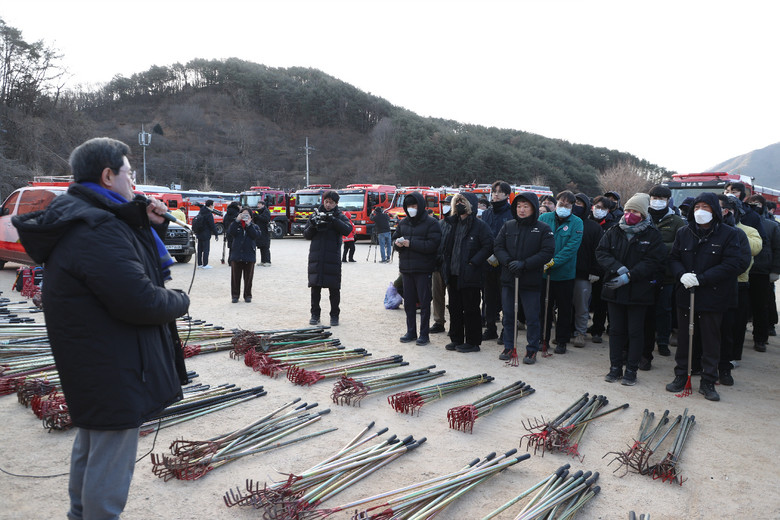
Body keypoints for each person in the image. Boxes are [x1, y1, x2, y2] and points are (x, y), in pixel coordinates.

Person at [13, 137, 190, 519]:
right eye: (129, 173)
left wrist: (147, 222)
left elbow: (127, 265)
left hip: (95, 359)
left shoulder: (85, 216)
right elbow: (141, 300)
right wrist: (181, 301)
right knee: (109, 458)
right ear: (108, 176)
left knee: (94, 443)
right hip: (113, 365)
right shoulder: (96, 227)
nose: (134, 182)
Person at [666, 192, 744, 402]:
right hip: (686, 294)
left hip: (712, 296)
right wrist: (681, 274)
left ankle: (708, 380)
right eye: (697, 207)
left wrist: (702, 279)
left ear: (715, 211)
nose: (700, 211)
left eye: (706, 207)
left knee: (711, 339)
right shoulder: (684, 232)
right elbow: (673, 258)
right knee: (685, 338)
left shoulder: (729, 234)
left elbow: (731, 264)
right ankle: (681, 375)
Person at [596, 193, 666, 386]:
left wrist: (630, 275)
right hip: (615, 289)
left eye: (634, 211)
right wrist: (617, 268)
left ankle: (631, 371)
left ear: (643, 213)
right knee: (616, 330)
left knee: (635, 332)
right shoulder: (613, 231)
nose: (629, 214)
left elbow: (653, 261)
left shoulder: (652, 234)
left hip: (639, 292)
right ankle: (615, 368)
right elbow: (601, 253)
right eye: (627, 210)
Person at [493, 192, 555, 364]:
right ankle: (508, 346)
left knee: (532, 317)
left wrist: (525, 264)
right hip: (509, 278)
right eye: (519, 206)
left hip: (530, 280)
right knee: (508, 315)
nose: (521, 210)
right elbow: (498, 246)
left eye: (526, 206)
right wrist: (508, 262)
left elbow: (547, 251)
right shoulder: (508, 226)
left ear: (534, 208)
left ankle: (532, 349)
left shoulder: (543, 228)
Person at [438, 193, 493, 353]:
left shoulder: (479, 225)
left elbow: (489, 245)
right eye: (457, 201)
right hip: (452, 273)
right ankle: (456, 339)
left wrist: (473, 262)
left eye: (463, 201)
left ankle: (473, 342)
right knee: (454, 308)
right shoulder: (450, 223)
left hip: (471, 274)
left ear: (471, 204)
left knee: (471, 309)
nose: (460, 204)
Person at [639, 185, 687, 370]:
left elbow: (680, 245)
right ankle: (644, 345)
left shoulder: (677, 221)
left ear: (668, 201)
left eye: (662, 198)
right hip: (643, 273)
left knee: (664, 310)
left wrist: (655, 246)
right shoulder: (642, 216)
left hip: (666, 275)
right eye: (654, 197)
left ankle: (663, 342)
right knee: (645, 311)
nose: (657, 201)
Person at [717, 194, 759, 386]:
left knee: (731, 326)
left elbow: (744, 260)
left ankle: (727, 363)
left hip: (736, 284)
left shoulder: (743, 232)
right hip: (707, 286)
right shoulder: (701, 230)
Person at [393, 191, 442, 346]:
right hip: (406, 269)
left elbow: (433, 245)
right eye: (409, 206)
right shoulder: (403, 222)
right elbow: (395, 238)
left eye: (414, 206)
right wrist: (397, 244)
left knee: (424, 303)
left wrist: (411, 243)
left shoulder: (432, 223)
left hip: (423, 269)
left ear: (420, 205)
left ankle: (424, 334)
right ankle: (411, 331)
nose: (411, 209)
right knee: (409, 303)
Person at [538, 190, 583, 354]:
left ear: (572, 207)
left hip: (565, 274)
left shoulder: (577, 222)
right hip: (544, 273)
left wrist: (554, 262)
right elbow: (537, 240)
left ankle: (562, 341)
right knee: (544, 308)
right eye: (561, 204)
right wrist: (542, 259)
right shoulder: (544, 218)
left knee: (564, 309)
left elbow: (572, 247)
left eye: (567, 205)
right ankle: (542, 338)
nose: (563, 207)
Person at [305, 190, 353, 326]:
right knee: (315, 288)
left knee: (334, 288)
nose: (328, 205)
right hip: (316, 256)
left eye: (331, 203)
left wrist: (333, 220)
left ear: (336, 203)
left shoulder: (340, 216)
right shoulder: (315, 214)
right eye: (326, 202)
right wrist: (313, 224)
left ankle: (334, 315)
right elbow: (306, 235)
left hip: (332, 257)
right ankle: (315, 315)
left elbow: (348, 230)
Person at [744, 194, 780, 351]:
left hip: (761, 271)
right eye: (751, 202)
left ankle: (760, 338)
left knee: (761, 306)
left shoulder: (771, 226)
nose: (754, 205)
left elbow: (777, 249)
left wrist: (775, 270)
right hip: (743, 271)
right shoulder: (742, 223)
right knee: (743, 306)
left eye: (757, 203)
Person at [480, 181, 514, 341]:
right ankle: (490, 328)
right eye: (494, 191)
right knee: (488, 297)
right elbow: (483, 236)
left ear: (507, 194)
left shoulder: (512, 213)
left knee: (505, 298)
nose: (496, 194)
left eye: (500, 192)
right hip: (488, 262)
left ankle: (506, 331)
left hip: (505, 262)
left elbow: (512, 239)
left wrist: (501, 256)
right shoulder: (486, 213)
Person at [570, 193, 603, 347]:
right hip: (564, 272)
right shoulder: (566, 222)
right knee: (564, 305)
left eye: (579, 203)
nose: (575, 206)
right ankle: (566, 332)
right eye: (573, 203)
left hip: (583, 274)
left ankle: (580, 333)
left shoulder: (594, 227)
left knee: (581, 306)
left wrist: (595, 270)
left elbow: (599, 251)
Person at [228, 207, 259, 303]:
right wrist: (236, 221)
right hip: (237, 254)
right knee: (235, 277)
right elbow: (231, 232)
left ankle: (248, 295)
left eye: (247, 214)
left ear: (251, 216)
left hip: (249, 255)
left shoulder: (254, 226)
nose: (245, 216)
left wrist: (249, 225)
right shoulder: (236, 224)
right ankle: (235, 296)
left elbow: (256, 235)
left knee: (248, 278)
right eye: (243, 214)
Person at [195, 199, 219, 268]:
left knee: (199, 249)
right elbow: (212, 225)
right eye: (213, 205)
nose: (213, 206)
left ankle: (199, 264)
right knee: (206, 249)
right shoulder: (209, 213)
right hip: (206, 233)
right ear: (210, 205)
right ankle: (205, 264)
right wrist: (216, 234)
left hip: (199, 233)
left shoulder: (201, 211)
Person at [252, 199, 272, 266]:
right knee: (261, 246)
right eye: (258, 204)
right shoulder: (258, 211)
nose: (258, 205)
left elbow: (266, 219)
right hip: (260, 230)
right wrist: (254, 216)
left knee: (265, 247)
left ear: (263, 205)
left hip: (265, 231)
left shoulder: (266, 211)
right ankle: (263, 261)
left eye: (259, 204)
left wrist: (258, 216)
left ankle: (268, 261)